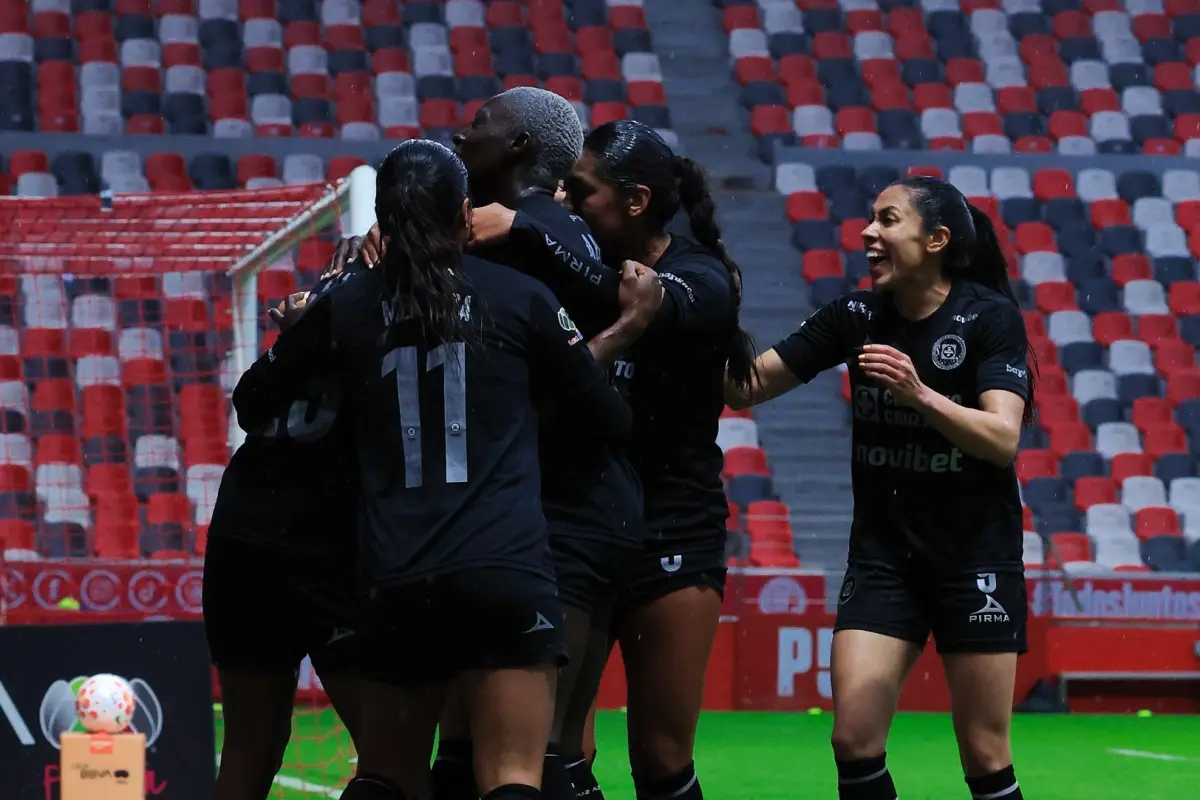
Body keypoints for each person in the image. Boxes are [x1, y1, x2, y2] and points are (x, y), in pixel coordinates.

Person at [231, 140, 662, 800]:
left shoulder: (346, 306)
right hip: (503, 567)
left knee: (389, 778)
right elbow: (611, 419)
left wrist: (305, 336)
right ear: (464, 215)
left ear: (385, 218)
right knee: (515, 776)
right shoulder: (521, 298)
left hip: (394, 574)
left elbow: (252, 403)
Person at [725, 176, 1033, 800]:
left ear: (937, 239)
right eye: (871, 219)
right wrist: (700, 318)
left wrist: (918, 394)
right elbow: (746, 388)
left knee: (982, 751)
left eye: (888, 220)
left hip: (974, 559)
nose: (868, 232)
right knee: (853, 740)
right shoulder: (855, 316)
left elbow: (1001, 438)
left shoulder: (987, 317)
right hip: (884, 560)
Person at [564, 120, 757, 800]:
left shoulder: (701, 274)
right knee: (559, 750)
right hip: (576, 530)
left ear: (636, 200)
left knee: (660, 755)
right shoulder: (568, 261)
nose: (565, 200)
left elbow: (681, 302)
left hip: (670, 528)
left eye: (581, 190)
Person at [203, 269, 363, 800]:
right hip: (318, 545)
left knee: (252, 747)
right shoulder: (382, 312)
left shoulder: (322, 305)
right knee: (391, 746)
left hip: (243, 536)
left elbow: (248, 404)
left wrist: (297, 334)